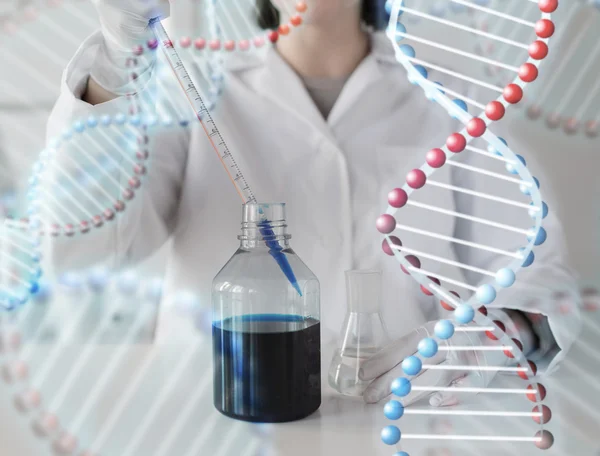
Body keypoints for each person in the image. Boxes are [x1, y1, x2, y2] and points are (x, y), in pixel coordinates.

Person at [45, 0, 581, 406]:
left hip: (396, 419)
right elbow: (86, 248)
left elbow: (538, 277)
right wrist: (116, 68)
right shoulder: (187, 89)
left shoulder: (449, 99)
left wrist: (498, 334)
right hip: (214, 418)